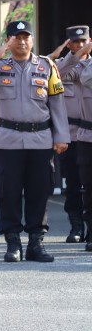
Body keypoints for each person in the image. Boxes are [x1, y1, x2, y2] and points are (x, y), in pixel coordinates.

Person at [0, 21, 69, 262]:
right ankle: (13, 242)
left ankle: (36, 243)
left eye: (26, 37)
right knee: (8, 192)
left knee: (39, 192)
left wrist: (62, 135)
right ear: (8, 40)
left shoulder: (47, 66)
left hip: (40, 139)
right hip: (9, 140)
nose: (22, 41)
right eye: (16, 37)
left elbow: (57, 103)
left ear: (32, 40)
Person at [49, 25, 90, 244]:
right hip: (70, 136)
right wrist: (73, 58)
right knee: (72, 184)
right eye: (75, 42)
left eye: (84, 41)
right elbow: (57, 74)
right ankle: (76, 226)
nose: (80, 45)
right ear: (69, 44)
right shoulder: (63, 66)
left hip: (89, 135)